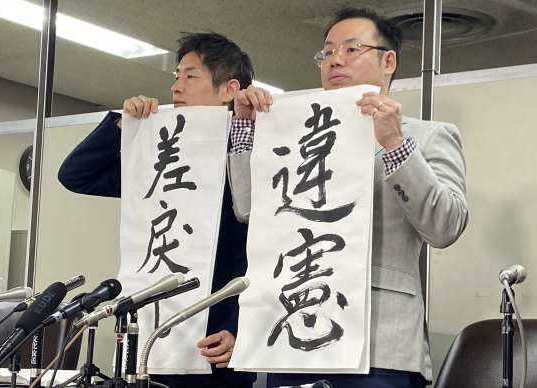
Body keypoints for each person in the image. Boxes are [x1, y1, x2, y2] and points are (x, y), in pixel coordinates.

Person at [228, 7, 469, 388]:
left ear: (388, 61)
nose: (335, 59)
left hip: (379, 344)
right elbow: (248, 209)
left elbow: (446, 227)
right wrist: (243, 126)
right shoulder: (297, 139)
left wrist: (395, 144)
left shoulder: (428, 136)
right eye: (327, 52)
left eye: (352, 49)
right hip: (294, 335)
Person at [58, 32, 256, 388]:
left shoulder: (249, 154)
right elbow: (76, 176)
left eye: (190, 76)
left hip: (216, 341)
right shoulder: (158, 159)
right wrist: (122, 123)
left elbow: (269, 256)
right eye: (176, 76)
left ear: (228, 89)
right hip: (149, 337)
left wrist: (240, 328)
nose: (177, 87)